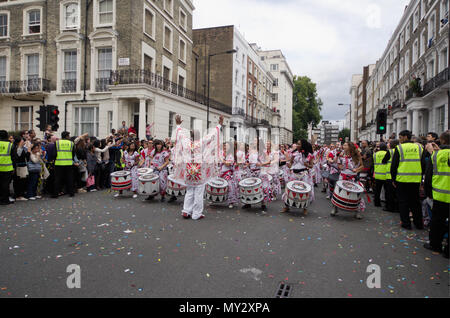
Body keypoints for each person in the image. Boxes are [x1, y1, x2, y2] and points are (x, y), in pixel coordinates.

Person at [172, 114, 224, 220]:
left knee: (190, 190)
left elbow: (180, 134)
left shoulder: (186, 142)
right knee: (199, 192)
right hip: (199, 170)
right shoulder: (201, 142)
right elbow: (213, 135)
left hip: (188, 170)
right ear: (198, 136)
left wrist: (178, 125)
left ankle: (186, 210)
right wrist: (219, 124)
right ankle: (196, 214)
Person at [390, 130, 426, 230]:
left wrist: (393, 178)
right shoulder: (419, 147)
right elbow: (423, 164)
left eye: (400, 137)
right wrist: (421, 175)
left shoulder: (399, 148)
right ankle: (419, 224)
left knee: (403, 202)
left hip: (402, 179)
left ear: (405, 137)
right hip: (415, 179)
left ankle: (406, 223)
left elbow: (394, 165)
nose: (399, 140)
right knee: (415, 202)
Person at [423, 130, 449, 258]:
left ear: (442, 141)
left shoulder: (436, 155)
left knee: (437, 221)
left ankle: (435, 244)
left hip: (440, 195)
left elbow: (428, 177)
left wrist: (428, 192)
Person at [331, 142, 365, 219]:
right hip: (342, 176)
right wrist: (340, 166)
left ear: (350, 147)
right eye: (343, 145)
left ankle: (357, 211)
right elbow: (339, 165)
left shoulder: (357, 155)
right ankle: (335, 208)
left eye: (345, 145)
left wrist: (356, 169)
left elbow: (362, 166)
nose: (343, 146)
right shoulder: (341, 155)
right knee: (338, 192)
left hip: (353, 177)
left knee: (356, 194)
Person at [53, 131, 75, 198]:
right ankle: (71, 193)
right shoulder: (71, 143)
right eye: (69, 136)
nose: (69, 137)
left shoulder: (57, 143)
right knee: (70, 178)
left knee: (57, 179)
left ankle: (55, 194)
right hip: (69, 163)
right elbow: (73, 154)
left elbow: (54, 154)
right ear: (67, 136)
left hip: (59, 163)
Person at [382, 139, 399, 212]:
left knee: (389, 193)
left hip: (389, 175)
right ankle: (397, 207)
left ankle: (389, 207)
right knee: (397, 193)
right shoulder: (400, 151)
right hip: (399, 175)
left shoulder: (390, 151)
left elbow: (384, 161)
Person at [0, 130, 14, 205]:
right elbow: (14, 157)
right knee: (5, 184)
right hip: (7, 167)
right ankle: (5, 200)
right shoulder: (10, 145)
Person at [373, 142, 388, 208]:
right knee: (386, 191)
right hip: (385, 174)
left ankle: (377, 203)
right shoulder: (387, 154)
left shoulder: (375, 154)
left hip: (377, 174)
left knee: (377, 190)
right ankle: (387, 204)